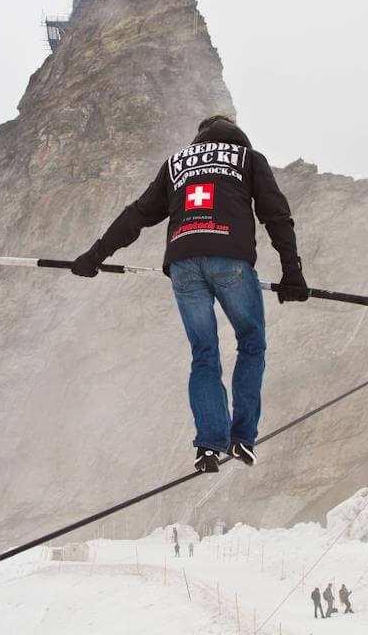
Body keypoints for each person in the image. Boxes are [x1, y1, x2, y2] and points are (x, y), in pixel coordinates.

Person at [71, 115, 310, 472]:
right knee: (250, 341)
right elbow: (276, 215)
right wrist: (292, 272)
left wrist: (94, 256)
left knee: (204, 354)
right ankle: (242, 437)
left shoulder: (176, 164)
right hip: (230, 260)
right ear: (238, 137)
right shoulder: (248, 159)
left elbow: (136, 216)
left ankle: (208, 445)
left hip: (183, 264)